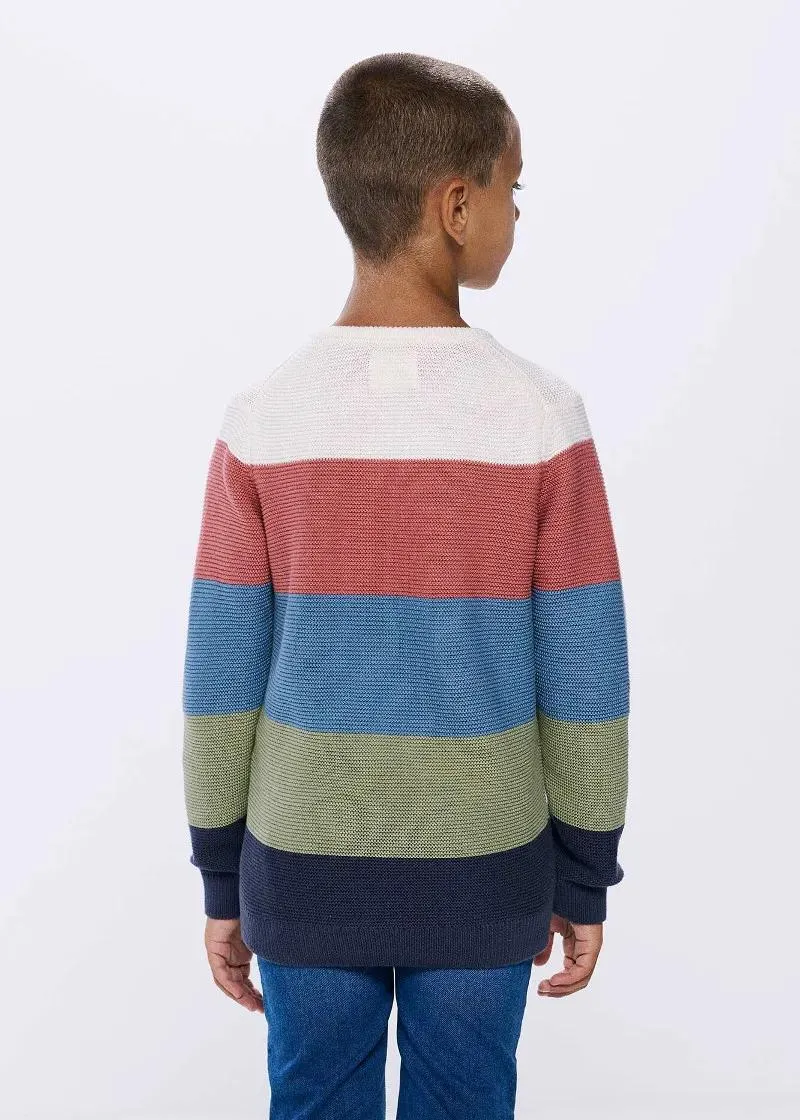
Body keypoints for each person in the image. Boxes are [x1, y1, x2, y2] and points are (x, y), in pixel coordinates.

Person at [181, 51, 629, 1119]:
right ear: (456, 206)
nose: (518, 214)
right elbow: (585, 676)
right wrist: (583, 871)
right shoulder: (540, 418)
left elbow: (219, 680)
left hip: (300, 862)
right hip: (485, 865)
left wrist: (221, 876)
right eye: (513, 189)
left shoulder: (264, 418)